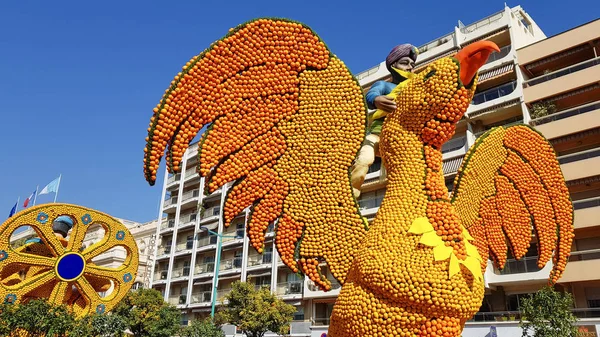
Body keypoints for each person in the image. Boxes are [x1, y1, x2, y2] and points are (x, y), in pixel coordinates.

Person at [350, 43, 419, 199]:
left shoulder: (414, 88)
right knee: (364, 160)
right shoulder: (384, 85)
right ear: (393, 65)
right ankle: (348, 196)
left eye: (412, 65)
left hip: (399, 139)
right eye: (405, 63)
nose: (409, 68)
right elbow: (370, 95)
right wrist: (377, 99)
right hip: (376, 134)